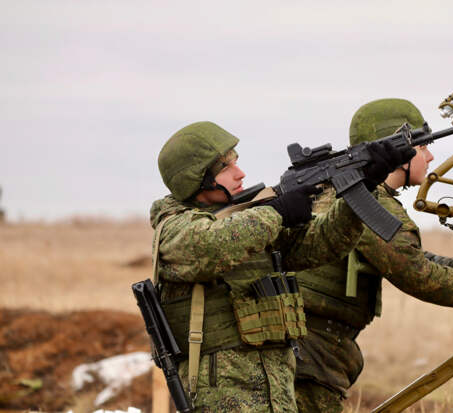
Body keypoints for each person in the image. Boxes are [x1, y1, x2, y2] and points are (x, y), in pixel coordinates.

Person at [149, 120, 412, 412]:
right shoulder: (174, 230)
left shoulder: (249, 219)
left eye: (237, 162)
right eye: (226, 168)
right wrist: (277, 212)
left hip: (277, 388)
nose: (241, 173)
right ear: (195, 179)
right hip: (223, 393)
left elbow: (320, 245)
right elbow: (212, 245)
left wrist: (364, 184)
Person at [293, 99, 453, 413]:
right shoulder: (369, 199)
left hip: (310, 347)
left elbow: (407, 255)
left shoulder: (344, 192)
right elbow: (417, 275)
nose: (430, 156)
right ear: (398, 153)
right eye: (423, 147)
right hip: (311, 352)